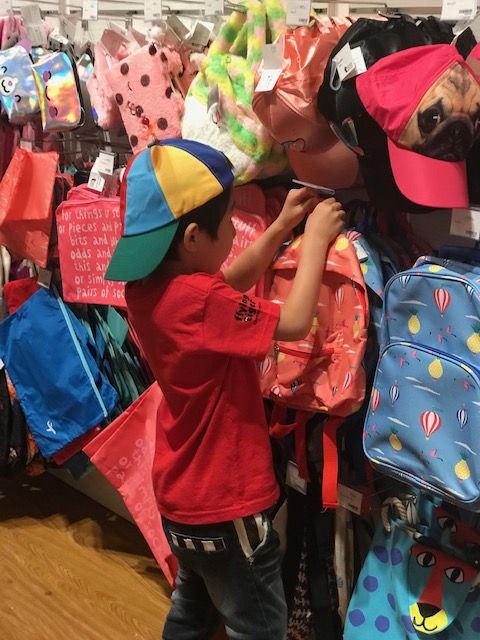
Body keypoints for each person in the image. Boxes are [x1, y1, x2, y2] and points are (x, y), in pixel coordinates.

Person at [105, 139, 346, 640]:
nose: (235, 229)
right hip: (227, 503)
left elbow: (227, 286)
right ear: (193, 238)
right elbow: (294, 321)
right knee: (259, 626)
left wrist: (279, 227)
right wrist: (316, 241)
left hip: (182, 500)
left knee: (191, 614)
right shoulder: (200, 301)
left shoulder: (148, 290)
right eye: (231, 219)